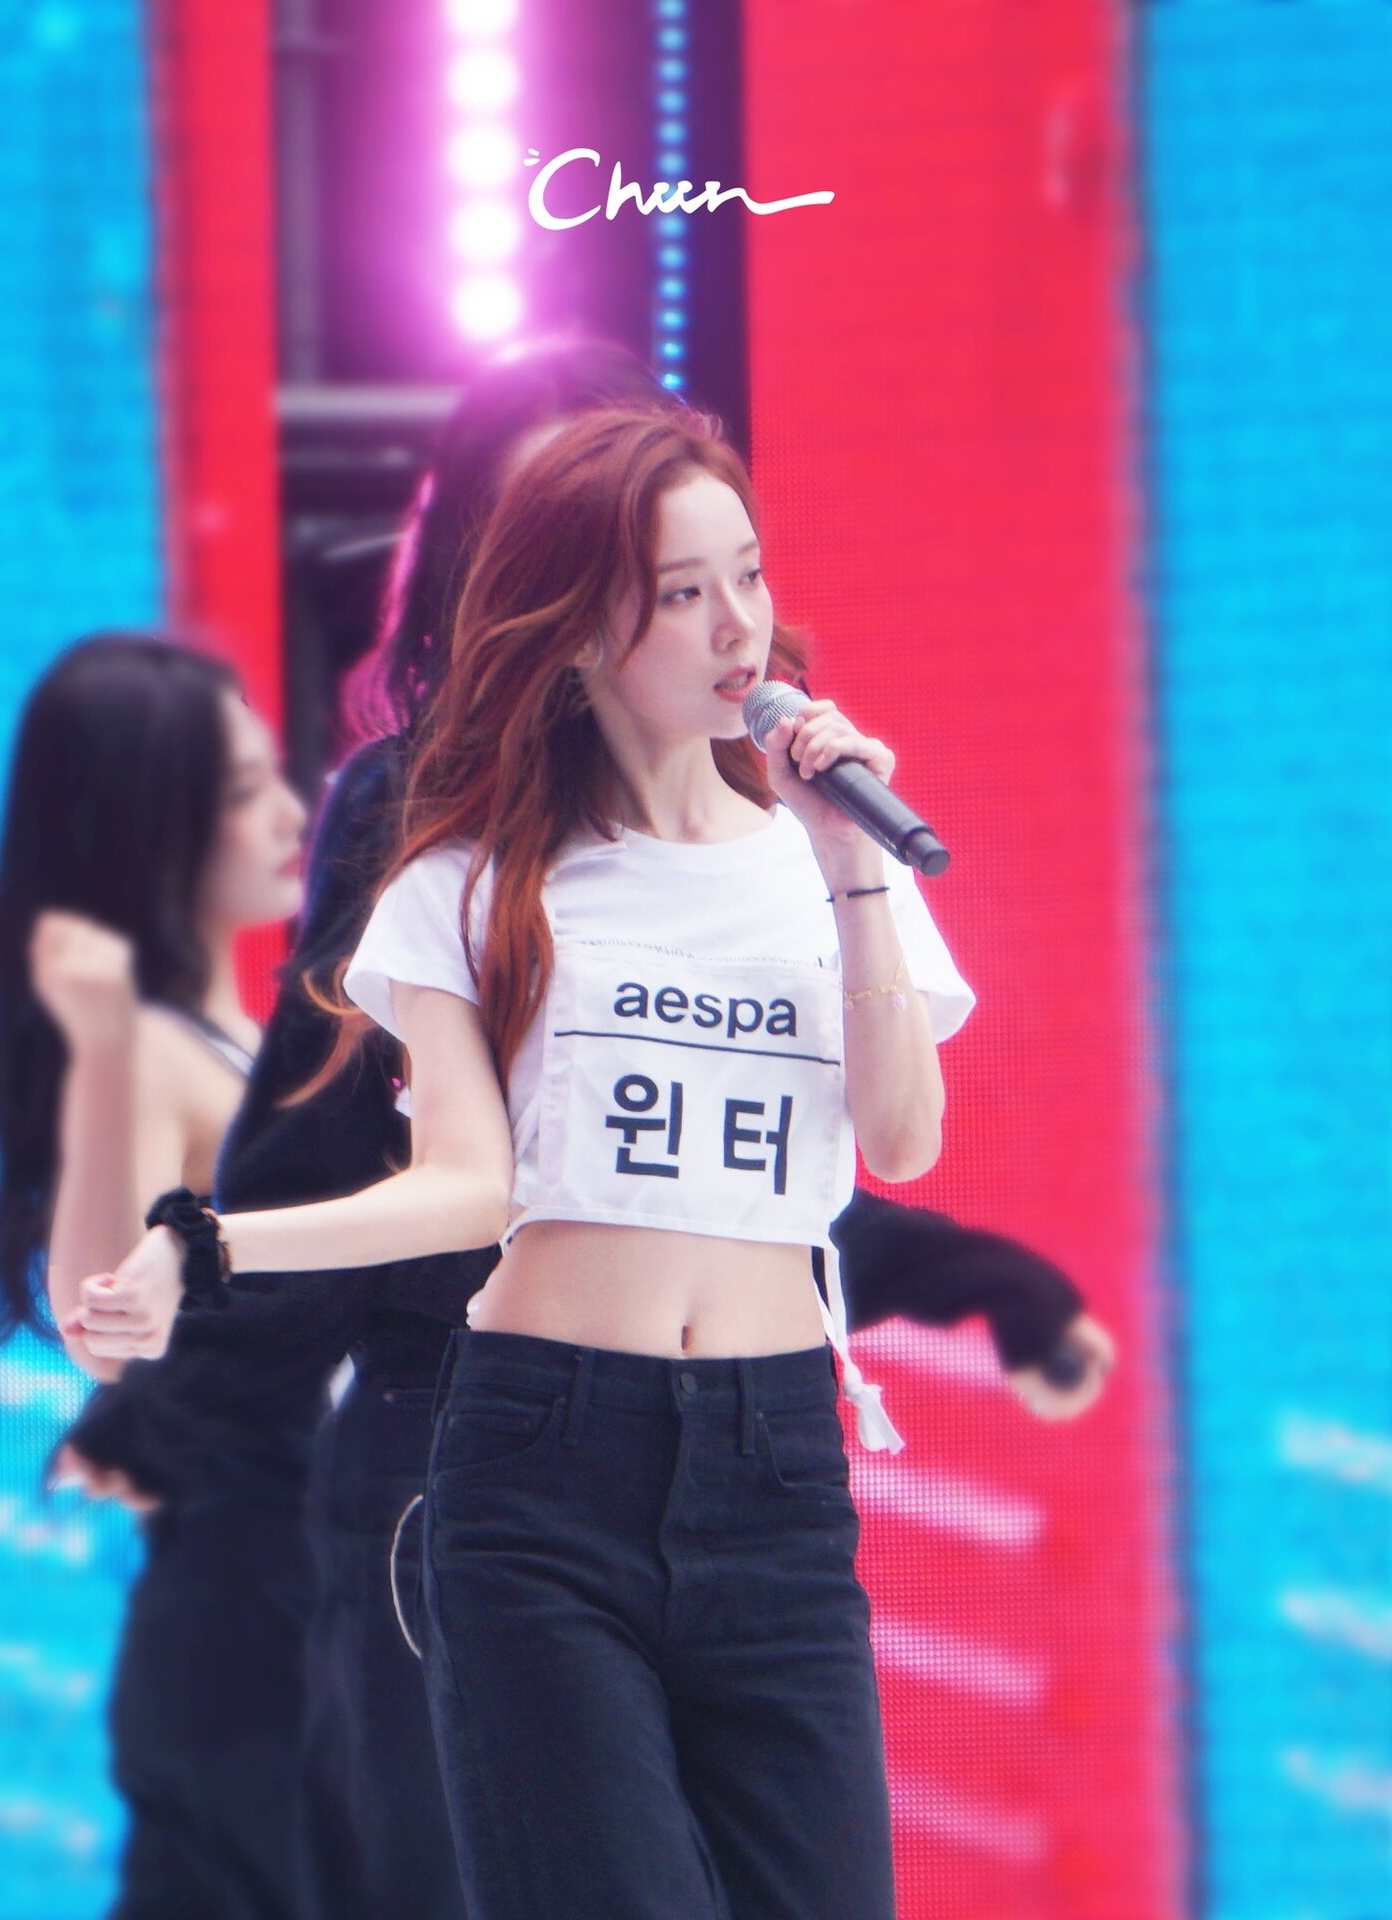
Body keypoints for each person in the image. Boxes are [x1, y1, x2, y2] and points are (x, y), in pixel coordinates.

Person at [68, 406, 979, 1918]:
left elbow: (902, 1139)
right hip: (543, 1470)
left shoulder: (829, 863)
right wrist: (207, 1245)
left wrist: (851, 871)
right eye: (681, 593)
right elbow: (464, 1188)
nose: (737, 625)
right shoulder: (471, 877)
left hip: (773, 1473)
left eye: (748, 574)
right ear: (577, 634)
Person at [0, 631, 311, 1920]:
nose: (291, 816)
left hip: (297, 1607)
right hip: (261, 1624)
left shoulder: (248, 1043)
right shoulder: (158, 1055)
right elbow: (106, 1320)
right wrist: (107, 1052)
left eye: (274, 774)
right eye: (243, 792)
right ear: (148, 828)